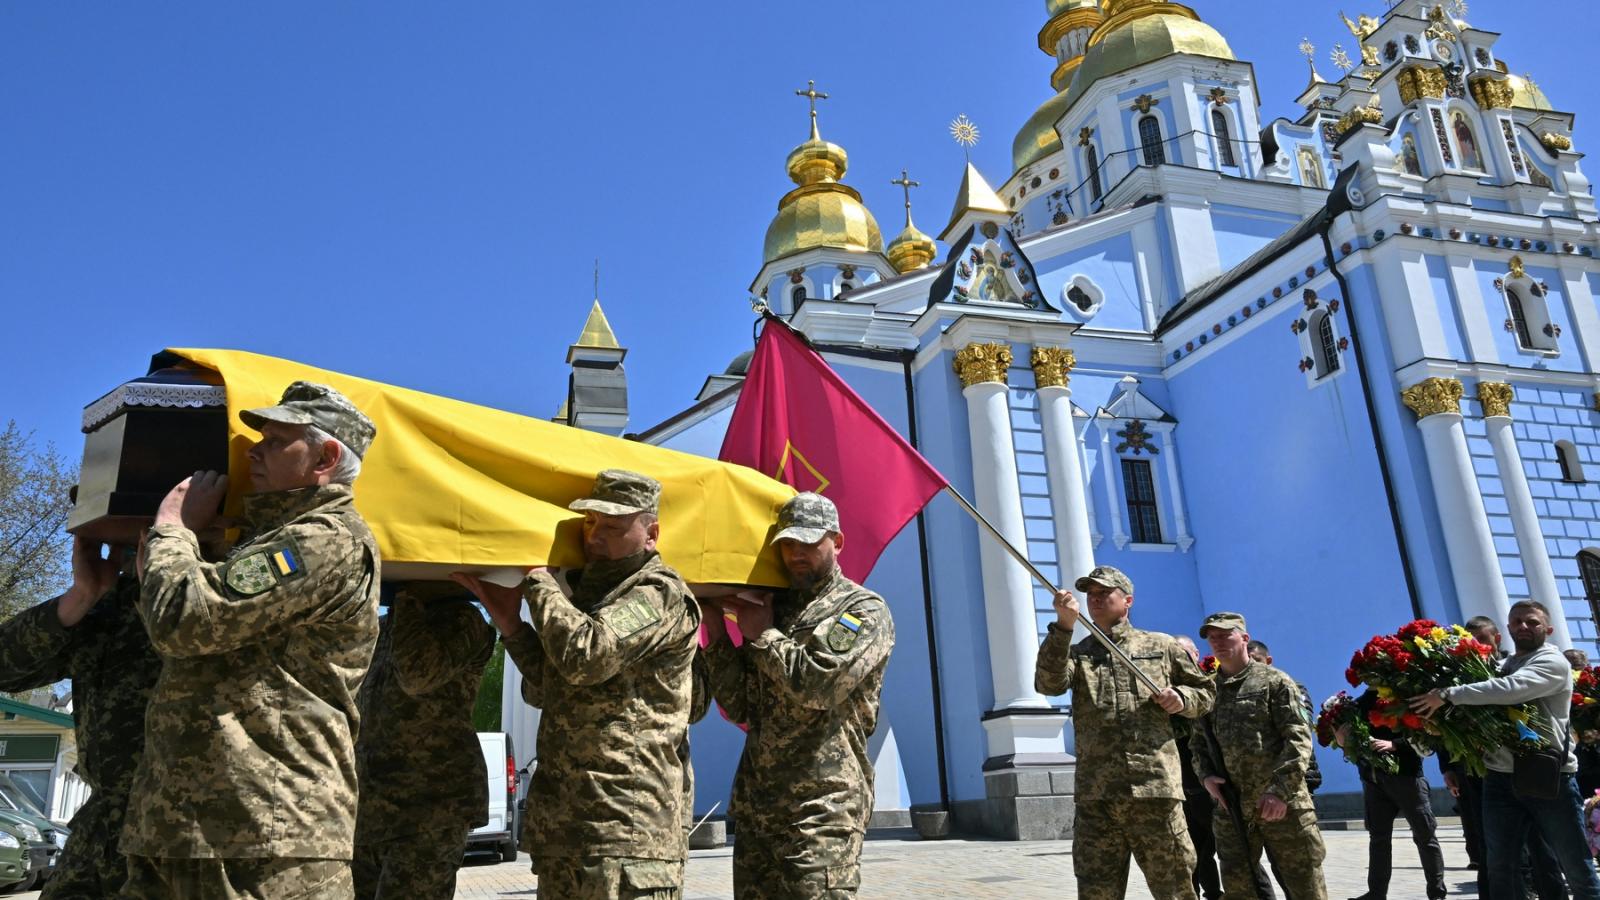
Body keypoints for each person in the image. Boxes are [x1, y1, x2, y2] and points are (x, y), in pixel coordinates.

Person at [122, 381, 382, 898]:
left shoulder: (326, 539)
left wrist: (173, 531)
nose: (253, 449)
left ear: (326, 457)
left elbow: (182, 621)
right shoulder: (263, 544)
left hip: (269, 837)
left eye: (276, 438)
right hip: (184, 828)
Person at [454, 469, 699, 899]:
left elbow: (588, 656)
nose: (595, 536)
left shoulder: (659, 592)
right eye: (589, 523)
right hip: (567, 829)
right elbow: (551, 687)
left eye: (613, 527)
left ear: (651, 533)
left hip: (627, 831)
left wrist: (537, 576)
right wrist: (511, 626)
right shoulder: (584, 600)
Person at [701, 492, 895, 898]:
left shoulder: (862, 610)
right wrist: (717, 628)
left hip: (823, 806)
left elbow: (817, 686)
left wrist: (764, 636)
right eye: (788, 544)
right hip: (759, 807)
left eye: (809, 542)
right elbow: (739, 705)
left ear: (836, 541)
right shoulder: (774, 607)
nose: (796, 553)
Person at [1035, 566, 1215, 900]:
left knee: (1175, 888)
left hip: (1154, 793)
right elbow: (1048, 683)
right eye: (1091, 594)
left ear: (1127, 600)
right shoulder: (1079, 653)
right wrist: (1063, 627)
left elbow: (1204, 693)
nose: (1095, 599)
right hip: (1097, 797)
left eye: (1105, 593)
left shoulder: (1161, 646)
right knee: (1096, 890)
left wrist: (1182, 698)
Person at [0, 537, 161, 898]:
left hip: (206, 841)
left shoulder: (237, 588)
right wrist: (81, 597)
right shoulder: (112, 611)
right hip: (104, 839)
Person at [1412, 600, 1600, 900]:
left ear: (1548, 629)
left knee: (1574, 862)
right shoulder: (1503, 664)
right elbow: (1487, 689)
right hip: (1500, 777)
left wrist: (1447, 695)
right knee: (1500, 864)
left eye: (1533, 622)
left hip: (1550, 779)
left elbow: (1510, 689)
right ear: (1508, 627)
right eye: (1517, 621)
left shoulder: (1552, 662)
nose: (1524, 626)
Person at [353, 582, 497, 899]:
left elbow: (418, 675)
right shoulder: (385, 625)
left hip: (431, 805)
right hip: (373, 806)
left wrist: (408, 597)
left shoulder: (463, 618)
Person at [1191, 613, 1328, 900]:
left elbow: (1299, 740)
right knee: (1240, 890)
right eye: (1212, 637)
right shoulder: (1209, 691)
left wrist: (1280, 791)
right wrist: (1206, 777)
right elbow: (1198, 744)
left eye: (1225, 634)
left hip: (1282, 806)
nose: (1217, 642)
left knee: (1305, 888)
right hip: (1231, 807)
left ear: (1244, 637)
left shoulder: (1275, 682)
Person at [1341, 690, 1446, 900]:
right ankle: (1376, 893)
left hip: (1406, 777)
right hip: (1373, 779)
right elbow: (1348, 732)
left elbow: (1428, 735)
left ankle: (1436, 893)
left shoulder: (1405, 693)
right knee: (1378, 838)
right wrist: (1342, 737)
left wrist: (1395, 744)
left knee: (1425, 836)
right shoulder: (1361, 703)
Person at [1173, 635, 1225, 900]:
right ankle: (1210, 894)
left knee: (1223, 848)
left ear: (1196, 653)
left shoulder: (1211, 682)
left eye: (1185, 652)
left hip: (1215, 783)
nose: (1181, 658)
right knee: (1192, 850)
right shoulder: (1169, 692)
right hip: (1185, 785)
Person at [1246, 639, 1322, 794]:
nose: (1253, 665)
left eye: (1257, 660)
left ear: (1269, 661)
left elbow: (1303, 723)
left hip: (1296, 775)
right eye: (1249, 661)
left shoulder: (1290, 686)